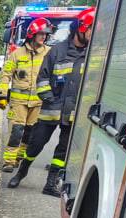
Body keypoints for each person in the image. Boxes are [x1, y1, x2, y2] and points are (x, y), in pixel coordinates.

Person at [8, 6, 96, 195]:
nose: (93, 33)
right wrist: (48, 98)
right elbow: (43, 77)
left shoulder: (93, 54)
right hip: (51, 110)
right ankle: (21, 173)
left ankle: (50, 184)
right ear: (81, 27)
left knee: (62, 152)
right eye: (91, 29)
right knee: (35, 144)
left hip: (73, 112)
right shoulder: (57, 51)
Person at [0, 17, 53, 172]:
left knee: (30, 133)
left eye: (45, 34)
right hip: (18, 102)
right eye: (41, 34)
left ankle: (19, 158)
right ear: (32, 34)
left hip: (38, 103)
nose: (44, 37)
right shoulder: (16, 54)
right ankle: (9, 161)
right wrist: (2, 96)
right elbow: (6, 74)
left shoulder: (49, 53)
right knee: (17, 131)